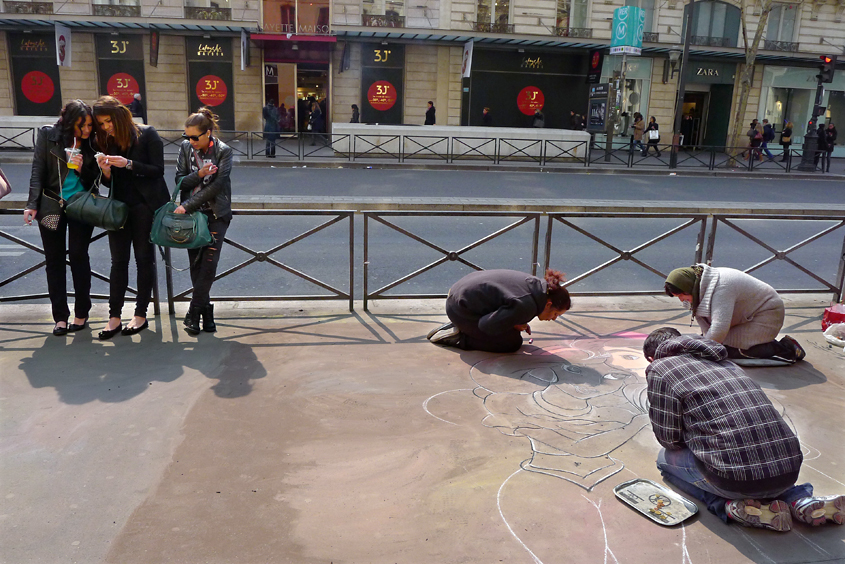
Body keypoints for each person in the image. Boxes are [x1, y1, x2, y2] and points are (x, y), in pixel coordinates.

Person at [643, 328, 844, 532]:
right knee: (759, 460)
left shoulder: (660, 368)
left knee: (665, 460)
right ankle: (799, 500)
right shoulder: (726, 362)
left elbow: (669, 438)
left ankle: (729, 506)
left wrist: (694, 436)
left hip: (733, 480)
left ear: (652, 358)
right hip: (788, 471)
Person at [93, 95, 169, 340]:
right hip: (118, 208)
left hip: (145, 206)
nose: (106, 127)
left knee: (143, 259)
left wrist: (128, 164)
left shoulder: (147, 134)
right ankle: (114, 317)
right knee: (118, 261)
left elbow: (158, 171)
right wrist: (105, 171)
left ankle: (140, 315)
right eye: (101, 124)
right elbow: (108, 183)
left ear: (119, 115)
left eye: (108, 121)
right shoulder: (105, 138)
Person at [24, 100, 99, 336]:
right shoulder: (48, 135)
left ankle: (81, 313)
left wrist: (80, 169)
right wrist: (31, 204)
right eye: (82, 125)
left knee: (78, 255)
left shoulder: (92, 142)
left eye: (89, 125)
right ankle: (60, 317)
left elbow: (96, 179)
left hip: (80, 205)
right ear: (69, 123)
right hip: (50, 206)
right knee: (54, 261)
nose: (87, 130)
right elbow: (38, 170)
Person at [664, 264, 805, 362]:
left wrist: (702, 352)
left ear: (690, 288)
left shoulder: (722, 286)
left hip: (766, 315)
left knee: (732, 352)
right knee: (717, 346)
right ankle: (760, 342)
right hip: (743, 316)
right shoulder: (697, 285)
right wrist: (705, 343)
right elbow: (704, 321)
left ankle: (786, 349)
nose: (682, 300)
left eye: (682, 295)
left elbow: (719, 328)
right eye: (678, 297)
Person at [175, 107, 233, 336]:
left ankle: (192, 312)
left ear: (208, 133)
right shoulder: (186, 149)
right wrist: (198, 175)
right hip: (192, 217)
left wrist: (186, 205)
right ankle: (206, 316)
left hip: (216, 214)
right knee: (197, 266)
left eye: (194, 137)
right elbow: (180, 181)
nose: (190, 141)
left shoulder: (223, 151)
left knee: (209, 266)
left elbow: (218, 186)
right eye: (187, 136)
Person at [426, 269, 571, 353]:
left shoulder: (536, 287)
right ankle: (459, 337)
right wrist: (512, 323)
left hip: (458, 294)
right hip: (460, 310)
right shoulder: (527, 305)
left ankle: (461, 327)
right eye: (556, 314)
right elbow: (486, 326)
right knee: (511, 343)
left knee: (507, 331)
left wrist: (513, 321)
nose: (553, 319)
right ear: (548, 304)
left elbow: (506, 300)